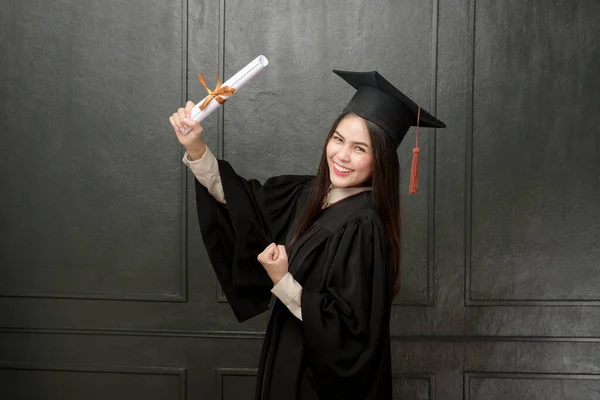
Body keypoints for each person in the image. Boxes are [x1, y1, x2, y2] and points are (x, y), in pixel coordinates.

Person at [169, 70, 445, 400]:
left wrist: (283, 279)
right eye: (338, 139)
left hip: (320, 384)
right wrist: (196, 147)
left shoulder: (365, 225)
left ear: (380, 159)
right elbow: (245, 204)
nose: (342, 156)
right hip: (287, 357)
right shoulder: (310, 194)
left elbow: (352, 334)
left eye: (360, 148)